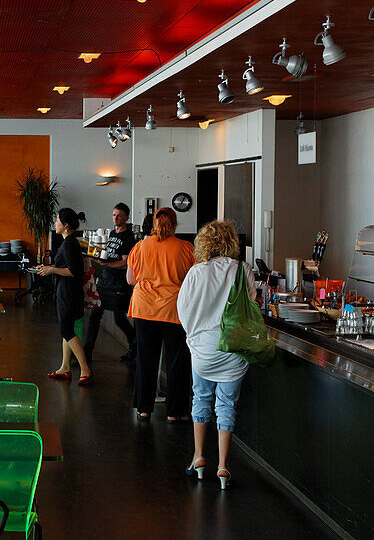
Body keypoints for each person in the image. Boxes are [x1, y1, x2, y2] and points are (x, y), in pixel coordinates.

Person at [177, 221, 254, 490]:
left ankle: (198, 457)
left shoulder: (197, 272)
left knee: (201, 399)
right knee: (226, 406)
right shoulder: (243, 270)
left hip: (203, 351)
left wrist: (195, 339)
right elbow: (251, 307)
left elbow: (183, 311)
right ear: (233, 242)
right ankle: (223, 466)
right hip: (234, 350)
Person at [126, 207, 194, 421]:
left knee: (146, 359)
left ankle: (144, 408)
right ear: (175, 224)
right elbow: (194, 280)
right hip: (174, 310)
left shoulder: (140, 247)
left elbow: (130, 279)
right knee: (176, 361)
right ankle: (176, 411)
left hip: (144, 309)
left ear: (154, 225)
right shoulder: (186, 248)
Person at [38, 208, 93, 385]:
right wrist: (49, 268)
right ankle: (65, 367)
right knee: (66, 329)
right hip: (67, 291)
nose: (55, 223)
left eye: (57, 220)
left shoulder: (69, 243)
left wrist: (52, 269)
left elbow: (74, 271)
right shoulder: (68, 241)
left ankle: (85, 368)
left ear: (66, 225)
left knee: (67, 330)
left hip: (68, 293)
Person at [84, 203, 139, 363]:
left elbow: (126, 262)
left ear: (126, 217)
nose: (115, 218)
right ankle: (87, 352)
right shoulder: (112, 234)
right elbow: (107, 255)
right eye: (114, 215)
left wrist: (107, 264)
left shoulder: (128, 237)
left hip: (119, 284)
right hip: (105, 281)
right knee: (95, 316)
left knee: (119, 319)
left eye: (119, 216)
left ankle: (134, 345)